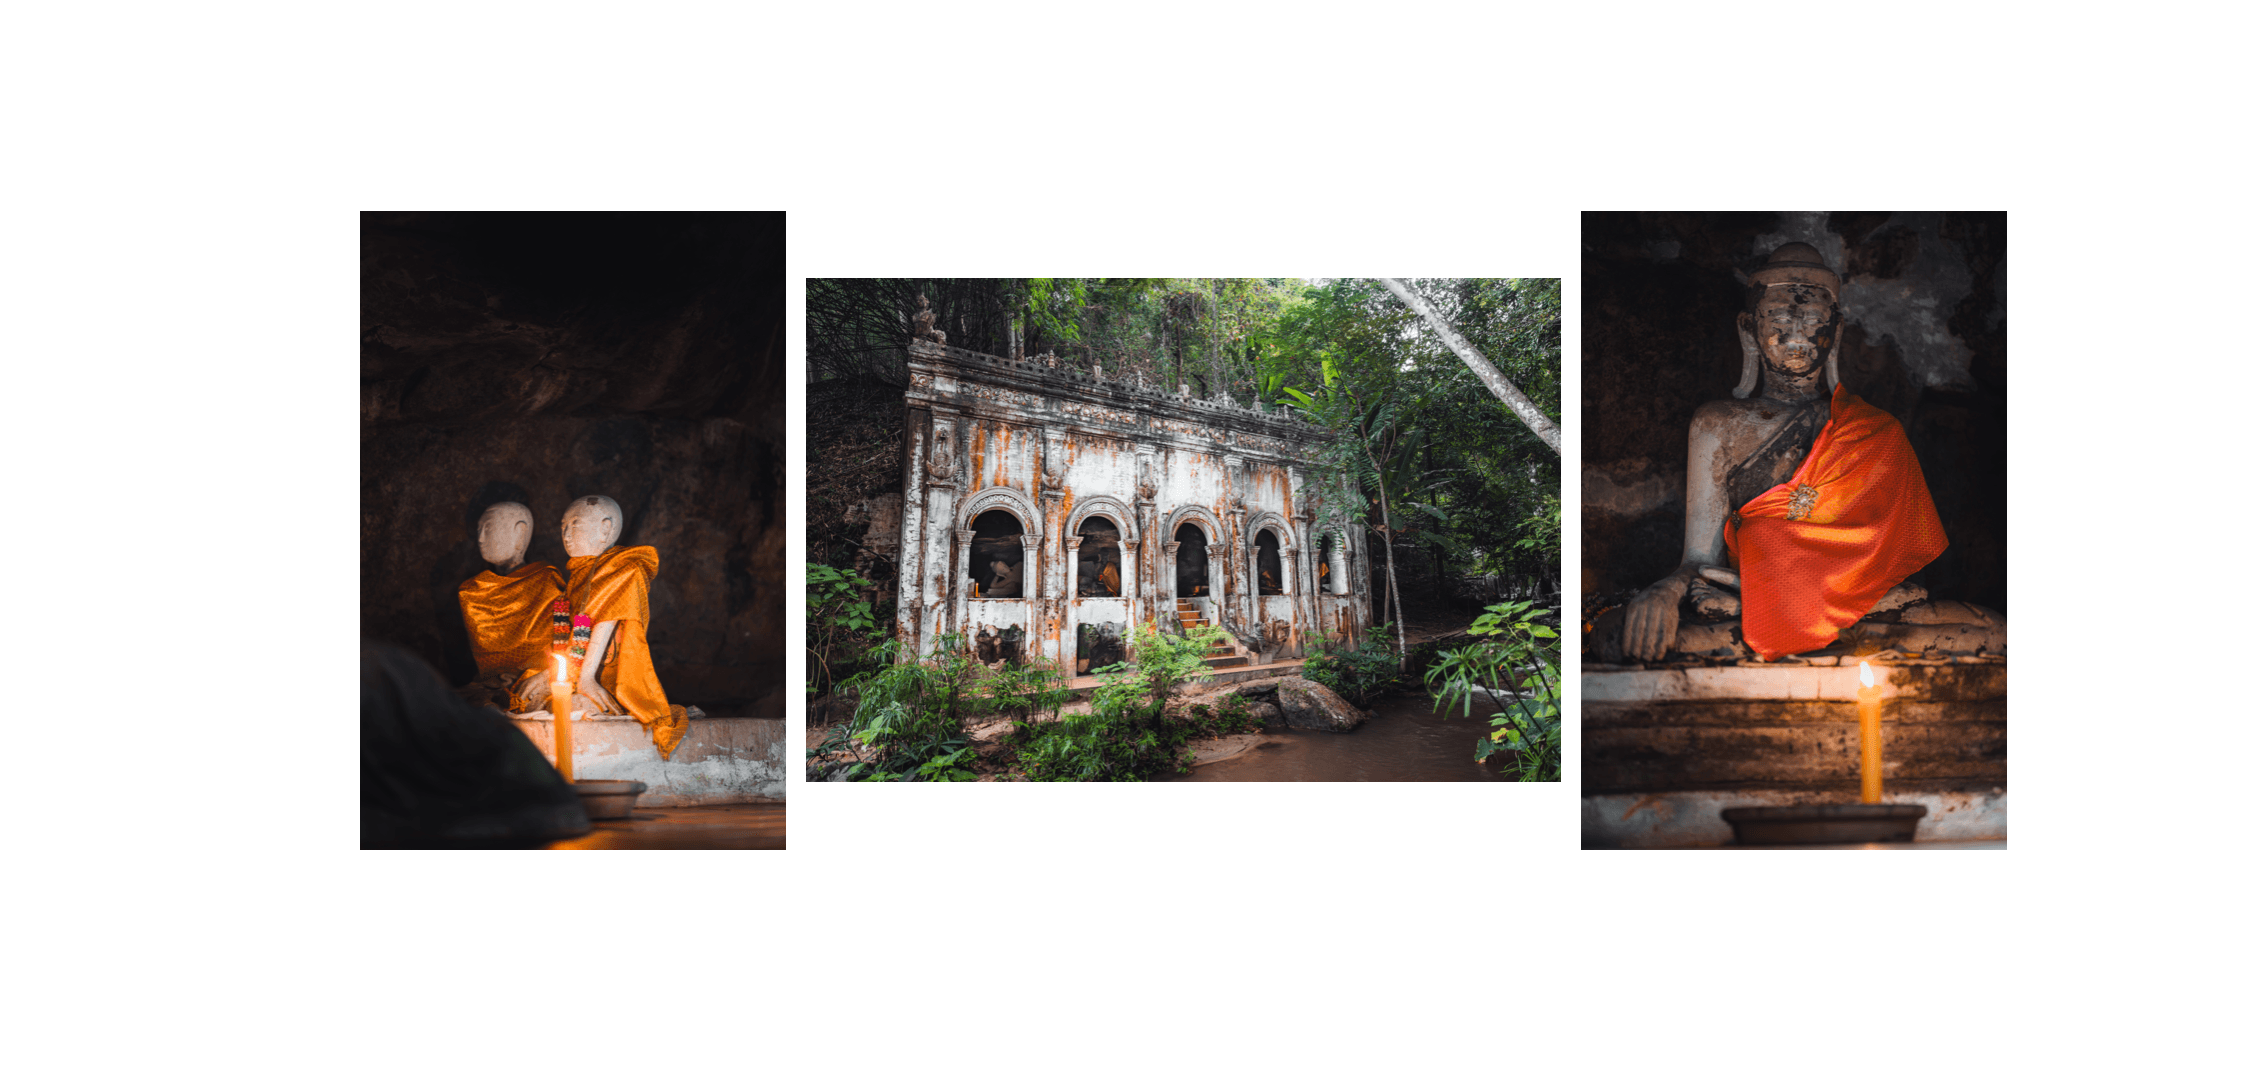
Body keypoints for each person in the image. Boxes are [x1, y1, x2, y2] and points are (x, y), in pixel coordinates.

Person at [1616, 243, 1986, 662]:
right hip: (1744, 599)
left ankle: (1785, 620)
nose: (1796, 333)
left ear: (1837, 329)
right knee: (1627, 635)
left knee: (1991, 629)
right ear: (1748, 329)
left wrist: (1800, 585)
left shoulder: (1875, 431)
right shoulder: (1717, 424)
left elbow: (1890, 566)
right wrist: (1666, 590)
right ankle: (1778, 619)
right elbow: (1699, 559)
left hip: (1855, 606)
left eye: (1813, 318)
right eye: (1777, 315)